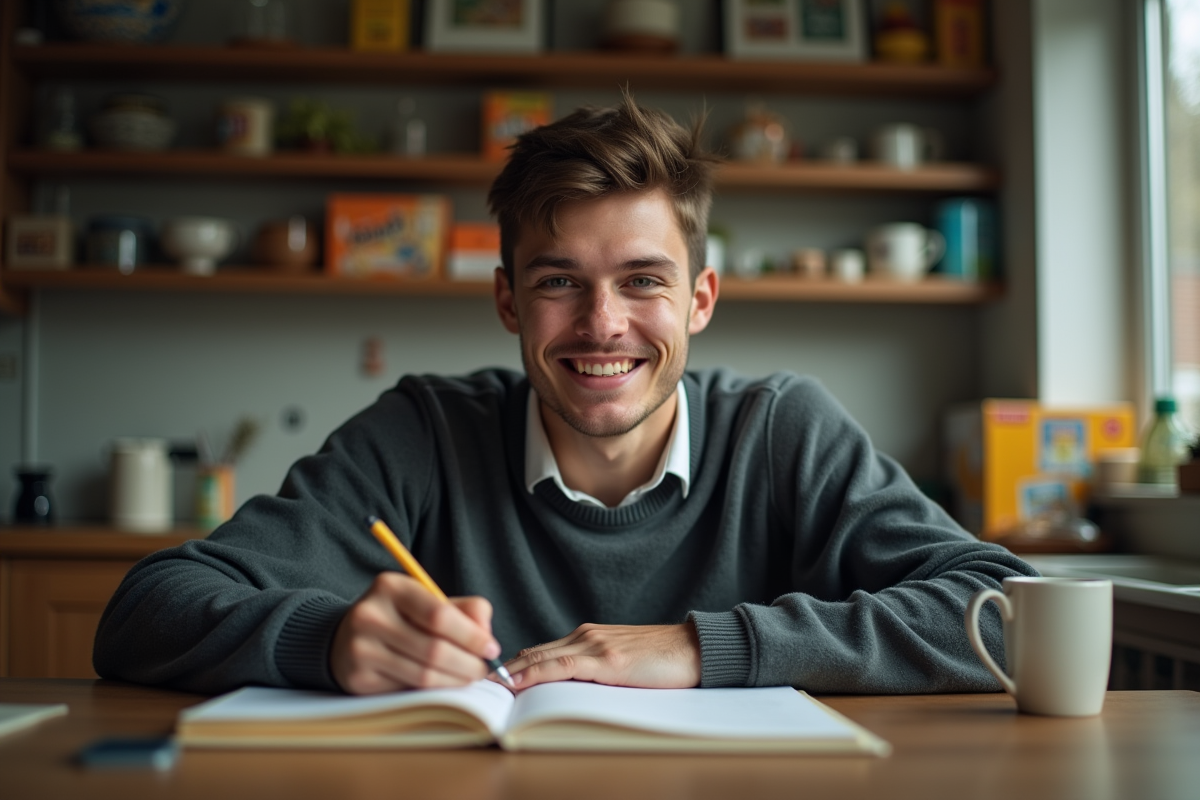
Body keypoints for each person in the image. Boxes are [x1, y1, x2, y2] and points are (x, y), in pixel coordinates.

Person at [94, 95, 1036, 697]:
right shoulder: (422, 432)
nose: (601, 323)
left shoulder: (783, 429)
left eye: (642, 281)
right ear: (508, 300)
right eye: (557, 282)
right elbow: (146, 609)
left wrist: (704, 649)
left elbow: (1006, 609)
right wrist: (326, 638)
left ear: (699, 301)